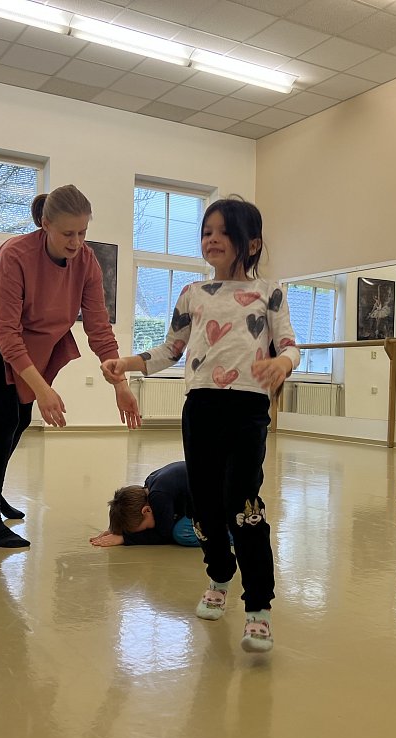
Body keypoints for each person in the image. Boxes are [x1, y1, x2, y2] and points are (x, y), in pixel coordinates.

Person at [101, 197, 299, 653]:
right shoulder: (192, 293)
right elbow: (171, 350)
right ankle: (219, 576)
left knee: (244, 507)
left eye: (223, 232)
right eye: (207, 231)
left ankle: (259, 607)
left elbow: (290, 344)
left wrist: (282, 363)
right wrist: (126, 363)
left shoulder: (270, 291)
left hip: (248, 410)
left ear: (251, 243)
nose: (212, 239)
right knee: (207, 507)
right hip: (201, 408)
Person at [0, 185, 142, 548]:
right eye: (68, 233)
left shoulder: (87, 262)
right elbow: (5, 333)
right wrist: (43, 389)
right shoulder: (16, 253)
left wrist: (121, 385)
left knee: (21, 418)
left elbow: (99, 328)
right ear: (45, 224)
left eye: (82, 232)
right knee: (6, 418)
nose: (76, 242)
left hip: (27, 334)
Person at [90, 461, 201, 547]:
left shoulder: (159, 496)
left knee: (181, 533)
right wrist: (118, 530)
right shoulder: (150, 485)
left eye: (145, 528)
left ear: (146, 510)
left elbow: (163, 535)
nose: (146, 531)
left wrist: (124, 538)